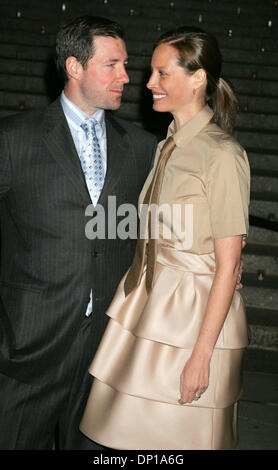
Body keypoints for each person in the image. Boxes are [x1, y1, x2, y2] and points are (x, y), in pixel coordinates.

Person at [80, 28, 250, 450]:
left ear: (197, 79)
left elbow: (228, 264)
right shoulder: (166, 147)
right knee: (120, 438)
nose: (149, 84)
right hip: (151, 305)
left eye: (161, 73)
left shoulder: (223, 155)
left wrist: (201, 356)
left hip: (192, 323)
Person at [0, 16, 157, 449]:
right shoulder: (14, 139)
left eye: (125, 64)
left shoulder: (141, 148)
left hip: (105, 349)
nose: (127, 76)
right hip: (29, 343)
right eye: (113, 65)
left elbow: (157, 228)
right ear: (74, 67)